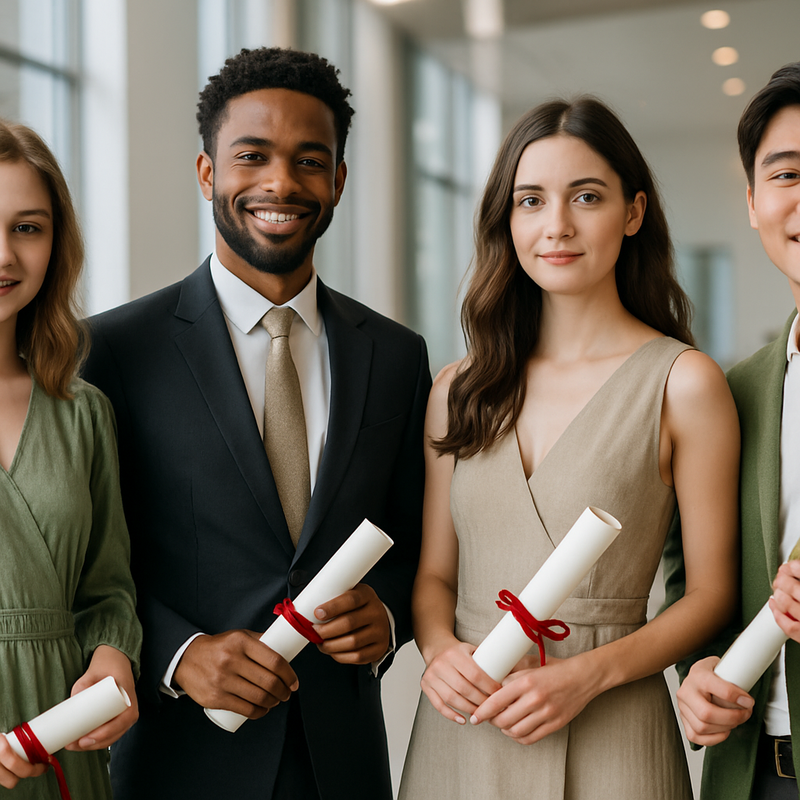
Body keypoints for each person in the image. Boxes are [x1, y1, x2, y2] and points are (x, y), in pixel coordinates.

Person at [82, 47, 430, 800]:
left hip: (342, 761)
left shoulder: (397, 357)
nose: (281, 182)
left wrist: (390, 616)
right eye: (253, 157)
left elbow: (415, 533)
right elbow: (85, 559)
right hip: (179, 759)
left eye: (310, 160)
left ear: (338, 180)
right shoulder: (111, 352)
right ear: (208, 174)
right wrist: (176, 654)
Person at [398, 96, 740, 800]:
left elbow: (710, 594)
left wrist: (591, 674)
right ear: (507, 218)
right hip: (468, 729)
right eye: (531, 200)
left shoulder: (683, 382)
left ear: (634, 212)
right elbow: (435, 575)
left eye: (586, 196)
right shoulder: (457, 388)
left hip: (613, 718)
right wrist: (438, 651)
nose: (556, 226)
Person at [0, 119, 141, 798]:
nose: (3, 256)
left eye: (27, 228)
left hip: (61, 734)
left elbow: (106, 587)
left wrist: (113, 655)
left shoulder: (81, 411)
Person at [671, 62, 800, 799]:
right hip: (755, 773)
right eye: (787, 174)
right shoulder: (737, 390)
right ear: (753, 203)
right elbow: (697, 577)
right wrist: (700, 671)